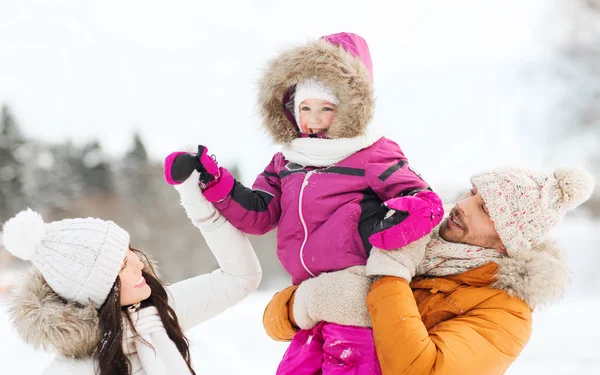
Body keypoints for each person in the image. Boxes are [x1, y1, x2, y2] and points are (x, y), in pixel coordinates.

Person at [163, 32, 443, 373]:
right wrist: (216, 182)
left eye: (326, 108)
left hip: (355, 296)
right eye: (305, 108)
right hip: (310, 297)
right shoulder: (287, 160)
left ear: (352, 107)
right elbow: (259, 213)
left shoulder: (372, 152)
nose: (312, 119)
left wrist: (392, 223)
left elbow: (418, 198)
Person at [263, 166, 595, 375]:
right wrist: (306, 302)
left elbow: (421, 370)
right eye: (473, 193)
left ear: (509, 241)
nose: (463, 204)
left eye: (485, 209)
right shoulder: (410, 239)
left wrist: (391, 274)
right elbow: (274, 323)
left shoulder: (506, 315)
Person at [4, 171, 262, 375]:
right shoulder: (72, 370)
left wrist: (195, 198)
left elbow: (242, 277)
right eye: (122, 265)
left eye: (129, 252)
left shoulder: (161, 312)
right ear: (97, 294)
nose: (139, 264)